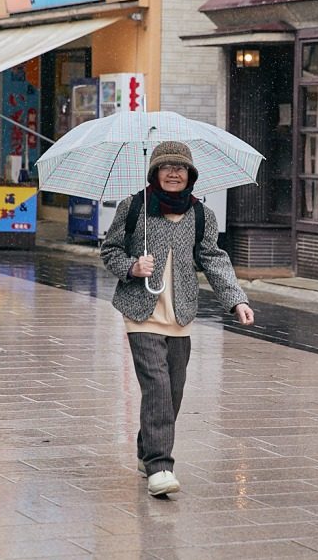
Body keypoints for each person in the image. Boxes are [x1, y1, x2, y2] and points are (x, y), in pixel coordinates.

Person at [101, 141, 255, 497]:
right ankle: (160, 467)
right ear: (154, 172)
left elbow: (214, 260)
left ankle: (146, 448)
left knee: (172, 392)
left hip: (181, 313)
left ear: (190, 175)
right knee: (156, 387)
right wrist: (132, 266)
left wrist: (236, 301)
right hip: (141, 312)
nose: (174, 173)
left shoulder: (201, 214)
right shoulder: (135, 207)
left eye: (181, 168)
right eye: (167, 167)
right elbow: (109, 250)